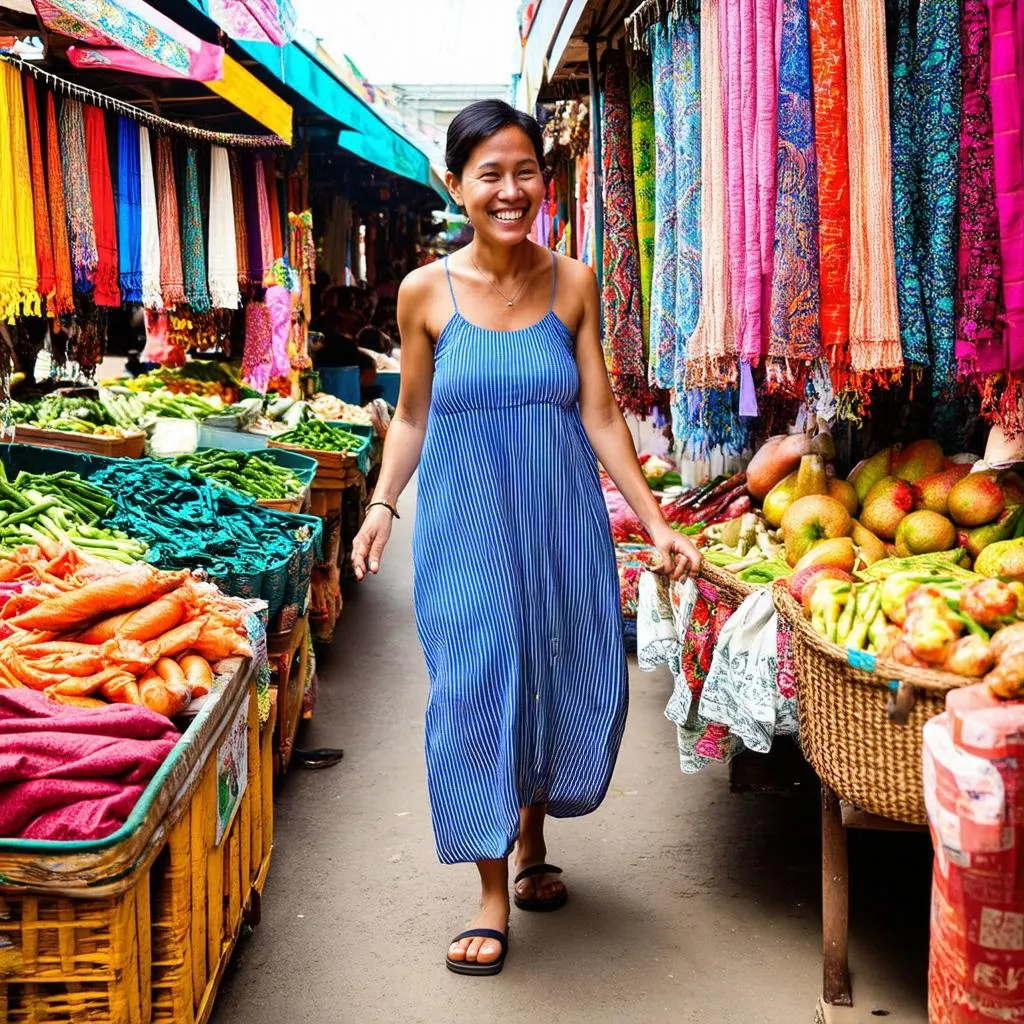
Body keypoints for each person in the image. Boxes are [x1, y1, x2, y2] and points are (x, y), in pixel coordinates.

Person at [350, 99, 700, 978]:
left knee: (551, 670)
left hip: (561, 518)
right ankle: (491, 889)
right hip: (465, 527)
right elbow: (413, 418)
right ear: (456, 184)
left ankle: (534, 840)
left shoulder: (572, 282)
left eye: (524, 171)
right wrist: (383, 505)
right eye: (489, 174)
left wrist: (657, 523)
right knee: (473, 684)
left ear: (545, 177)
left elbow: (602, 413)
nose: (510, 191)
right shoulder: (424, 293)